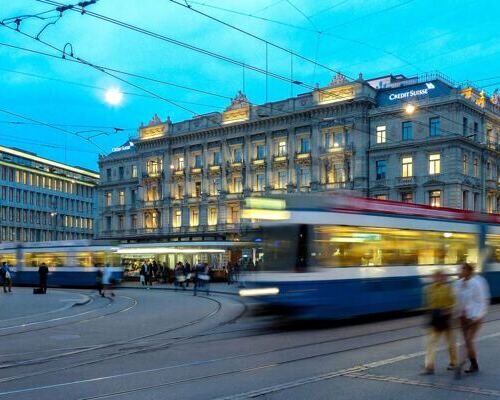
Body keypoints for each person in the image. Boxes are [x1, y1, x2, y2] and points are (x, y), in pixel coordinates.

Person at [455, 263, 490, 374]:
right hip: (463, 317)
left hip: (475, 316)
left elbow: (483, 301)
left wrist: (479, 316)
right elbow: (457, 300)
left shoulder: (476, 283)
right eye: (459, 270)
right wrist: (457, 314)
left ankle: (461, 364)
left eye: (462, 270)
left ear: (469, 271)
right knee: (467, 341)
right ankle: (474, 364)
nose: (459, 272)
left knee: (468, 341)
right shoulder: (458, 284)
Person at [421, 269, 457, 375]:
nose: (439, 278)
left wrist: (448, 310)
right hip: (435, 319)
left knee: (450, 343)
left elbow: (454, 303)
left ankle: (453, 362)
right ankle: (429, 366)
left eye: (441, 276)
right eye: (437, 276)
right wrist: (428, 317)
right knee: (431, 343)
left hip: (446, 319)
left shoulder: (449, 288)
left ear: (445, 278)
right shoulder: (427, 289)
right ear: (433, 277)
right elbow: (427, 304)